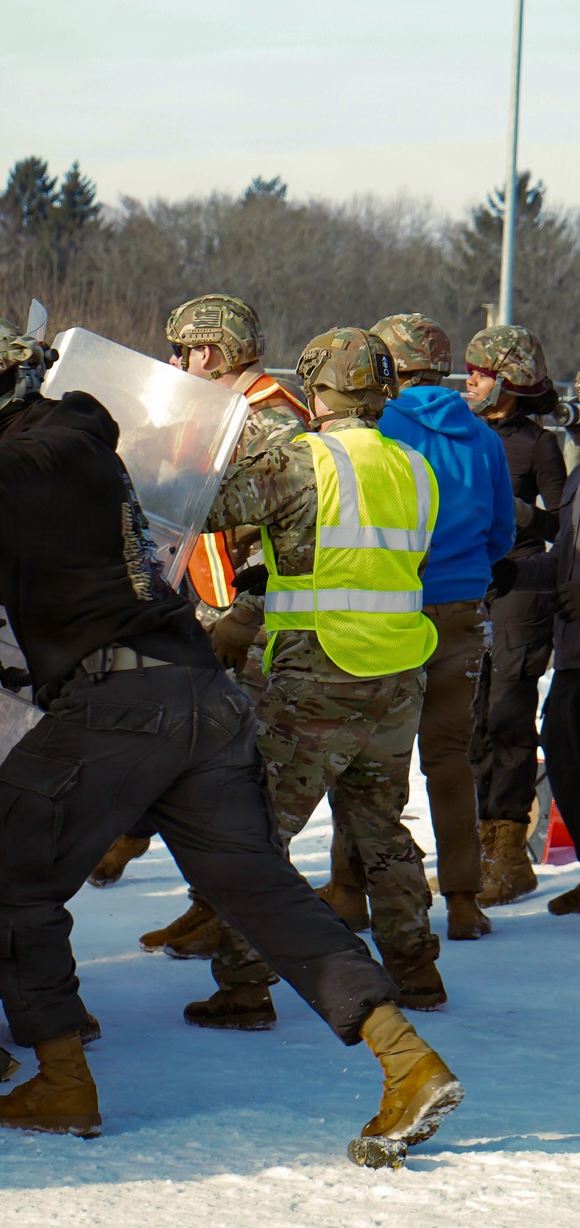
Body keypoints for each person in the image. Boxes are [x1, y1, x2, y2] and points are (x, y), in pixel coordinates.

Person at [0, 313, 464, 1151]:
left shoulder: (47, 452)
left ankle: (62, 1081)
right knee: (259, 890)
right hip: (195, 698)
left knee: (12, 858)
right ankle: (407, 1060)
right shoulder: (75, 448)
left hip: (126, 701)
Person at [185, 327, 445, 1032]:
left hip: (319, 674)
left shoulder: (304, 461)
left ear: (315, 388)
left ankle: (244, 986)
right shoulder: (414, 467)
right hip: (398, 673)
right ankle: (417, 970)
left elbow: (205, 509)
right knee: (383, 830)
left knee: (262, 835)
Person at [92, 295, 308, 964]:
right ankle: (211, 903)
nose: (175, 364)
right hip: (211, 611)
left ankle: (238, 921)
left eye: (181, 353)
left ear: (206, 354)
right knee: (213, 764)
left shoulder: (273, 418)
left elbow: (282, 532)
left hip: (257, 621)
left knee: (248, 779)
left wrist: (247, 616)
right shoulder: (221, 411)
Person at [320, 314, 515, 941]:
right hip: (463, 612)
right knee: (450, 757)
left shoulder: (377, 426)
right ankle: (463, 901)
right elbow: (503, 536)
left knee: (371, 757)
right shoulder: (483, 436)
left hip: (391, 608)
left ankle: (350, 892)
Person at [464, 325, 564, 906]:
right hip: (470, 587)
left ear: (507, 381)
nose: (468, 381)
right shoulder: (463, 434)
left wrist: (522, 513)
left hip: (521, 590)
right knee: (473, 718)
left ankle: (509, 852)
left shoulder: (536, 444)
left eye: (478, 372)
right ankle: (477, 849)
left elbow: (562, 527)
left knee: (507, 714)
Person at [491, 367, 580, 914]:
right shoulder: (577, 479)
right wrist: (514, 575)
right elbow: (563, 560)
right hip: (573, 650)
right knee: (566, 751)